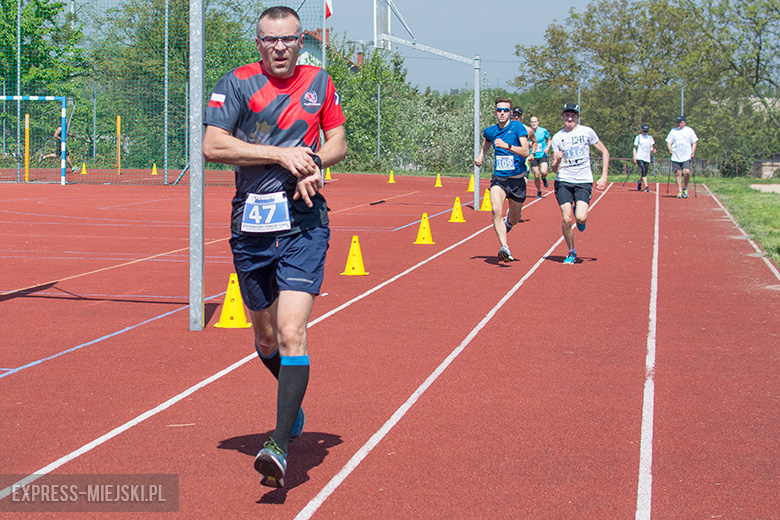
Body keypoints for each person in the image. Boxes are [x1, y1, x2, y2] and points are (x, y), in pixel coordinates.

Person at [202, 5, 347, 489]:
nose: (279, 48)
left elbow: (338, 142)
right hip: (252, 224)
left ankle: (279, 445)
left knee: (291, 333)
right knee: (265, 339)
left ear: (301, 40)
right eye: (270, 40)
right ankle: (294, 406)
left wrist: (312, 162)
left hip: (306, 223)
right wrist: (280, 154)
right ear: (258, 42)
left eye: (287, 40)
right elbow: (214, 147)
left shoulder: (320, 82)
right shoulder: (237, 84)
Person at [550, 103, 610, 265]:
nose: (570, 118)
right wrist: (558, 161)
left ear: (577, 117)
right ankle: (571, 250)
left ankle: (580, 216)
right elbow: (554, 169)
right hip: (563, 180)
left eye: (573, 115)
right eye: (567, 115)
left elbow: (604, 152)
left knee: (581, 217)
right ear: (563, 116)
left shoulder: (587, 132)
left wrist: (603, 177)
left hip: (583, 181)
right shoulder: (557, 138)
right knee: (566, 218)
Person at [475, 98, 530, 262]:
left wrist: (507, 146)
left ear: (510, 113)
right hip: (499, 179)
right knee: (496, 209)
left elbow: (526, 152)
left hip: (518, 180)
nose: (502, 113)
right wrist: (481, 156)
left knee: (515, 217)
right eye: (499, 110)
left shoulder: (518, 127)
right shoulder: (490, 131)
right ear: (495, 112)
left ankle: (509, 224)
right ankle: (505, 247)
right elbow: (487, 142)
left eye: (505, 110)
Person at [666, 115, 698, 198]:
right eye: (677, 122)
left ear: (684, 123)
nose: (678, 124)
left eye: (680, 122)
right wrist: (670, 150)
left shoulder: (689, 131)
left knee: (686, 172)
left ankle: (685, 188)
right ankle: (680, 190)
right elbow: (669, 142)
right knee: (678, 173)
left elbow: (694, 142)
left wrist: (693, 152)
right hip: (676, 155)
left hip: (686, 155)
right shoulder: (673, 131)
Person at [529, 115, 551, 198]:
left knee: (544, 172)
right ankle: (539, 191)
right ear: (530, 123)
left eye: (535, 122)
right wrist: (529, 144)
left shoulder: (543, 131)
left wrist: (547, 148)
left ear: (537, 122)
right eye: (532, 122)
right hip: (533, 155)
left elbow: (549, 139)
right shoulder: (528, 131)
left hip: (542, 154)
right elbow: (524, 142)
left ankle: (544, 178)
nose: (534, 124)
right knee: (536, 175)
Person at [633, 124, 656, 192]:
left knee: (644, 172)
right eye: (644, 131)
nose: (645, 132)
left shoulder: (650, 138)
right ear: (642, 130)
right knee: (643, 170)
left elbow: (651, 147)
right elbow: (635, 148)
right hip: (640, 156)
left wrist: (653, 150)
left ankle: (639, 182)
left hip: (647, 157)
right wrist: (635, 157)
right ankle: (646, 186)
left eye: (646, 131)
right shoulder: (638, 137)